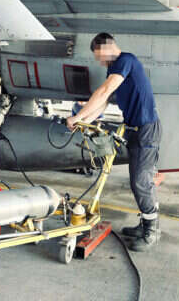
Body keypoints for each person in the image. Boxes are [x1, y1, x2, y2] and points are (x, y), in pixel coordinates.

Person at [66, 33, 162, 252]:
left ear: (107, 47)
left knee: (141, 182)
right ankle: (145, 224)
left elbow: (104, 91)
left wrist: (77, 115)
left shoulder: (126, 60)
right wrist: (83, 121)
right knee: (137, 181)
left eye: (99, 56)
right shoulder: (115, 69)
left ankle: (152, 231)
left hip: (147, 130)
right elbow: (104, 102)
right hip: (135, 131)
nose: (100, 62)